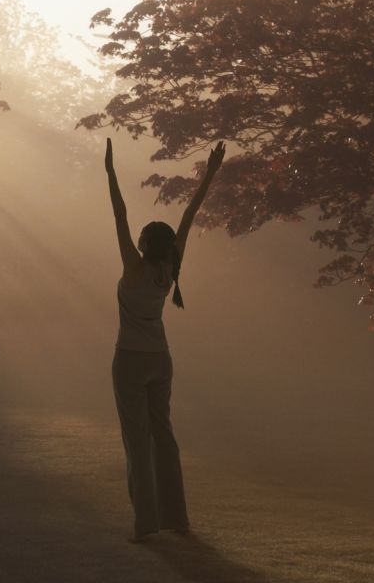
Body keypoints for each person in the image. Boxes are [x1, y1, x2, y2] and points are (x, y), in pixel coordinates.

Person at [105, 137, 225, 542]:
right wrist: (211, 171)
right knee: (164, 436)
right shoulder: (170, 268)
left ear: (142, 244)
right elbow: (190, 213)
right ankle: (177, 518)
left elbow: (119, 213)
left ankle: (146, 523)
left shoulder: (133, 268)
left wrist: (111, 171)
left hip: (130, 359)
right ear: (167, 244)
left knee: (137, 442)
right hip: (161, 359)